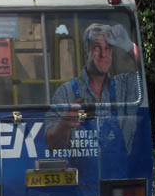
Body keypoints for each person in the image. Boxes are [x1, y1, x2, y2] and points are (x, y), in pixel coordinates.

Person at [44, 23, 142, 153]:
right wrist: (63, 125)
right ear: (87, 51)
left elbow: (148, 73)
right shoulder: (66, 92)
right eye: (97, 48)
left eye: (108, 49)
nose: (103, 54)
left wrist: (129, 46)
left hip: (120, 173)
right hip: (82, 173)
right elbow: (50, 144)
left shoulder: (124, 86)